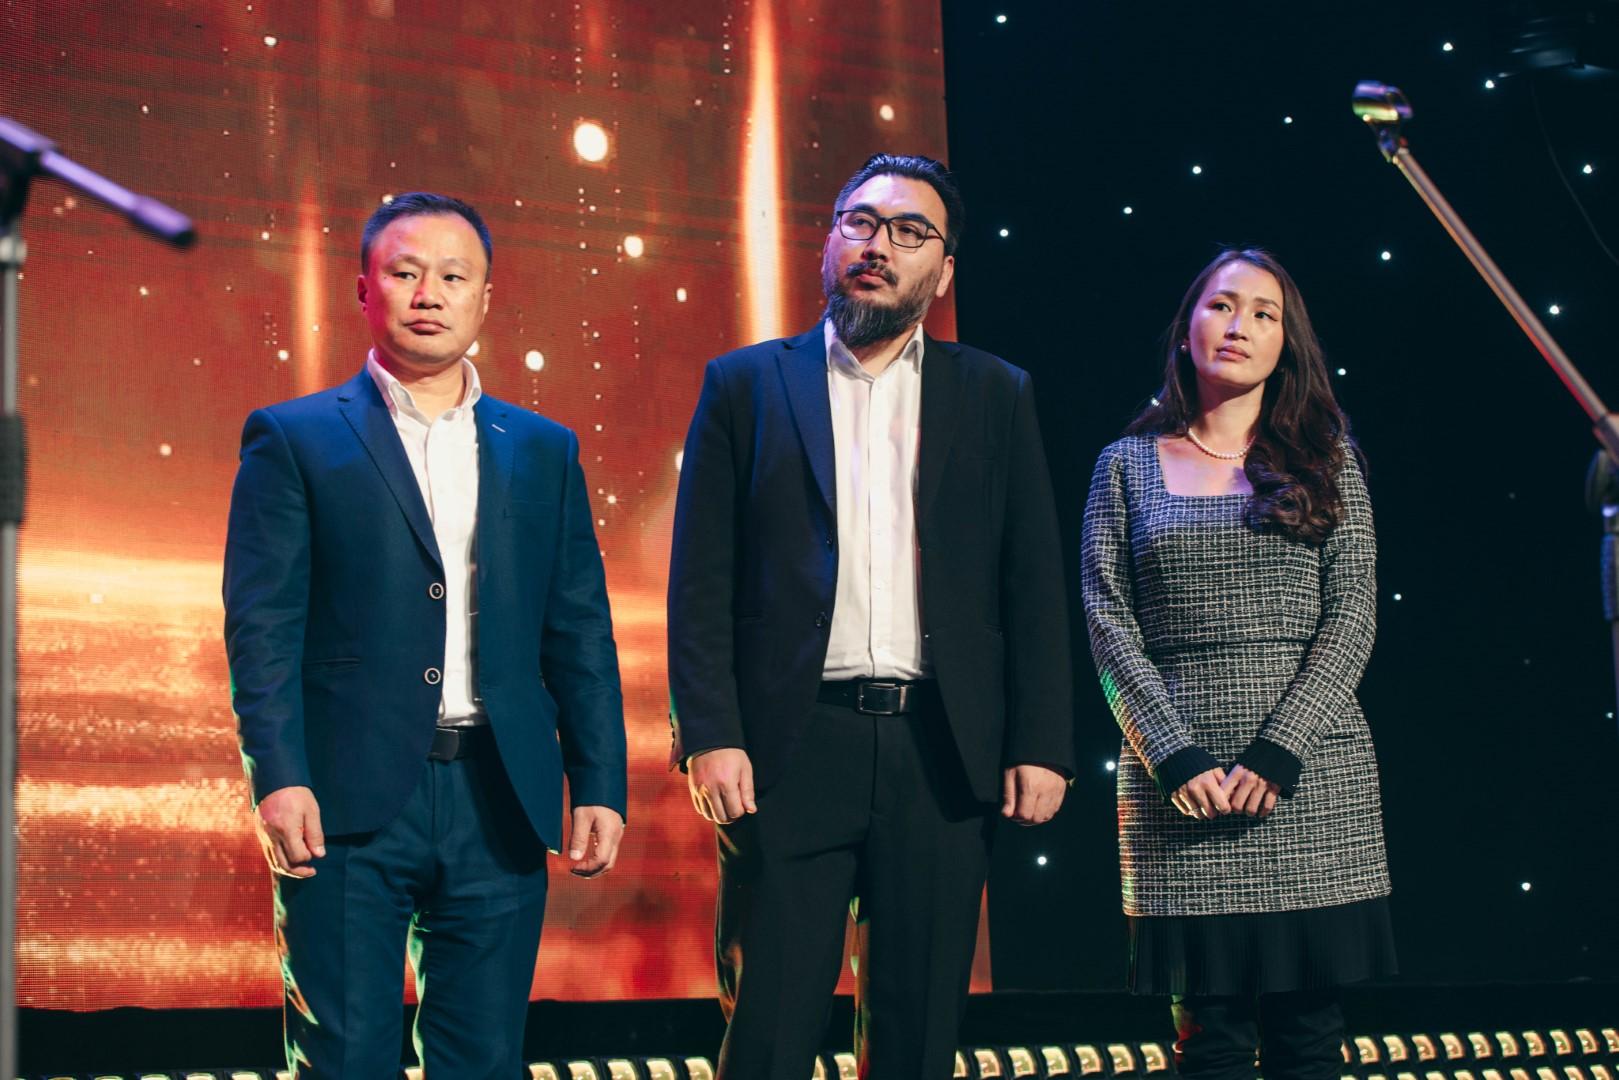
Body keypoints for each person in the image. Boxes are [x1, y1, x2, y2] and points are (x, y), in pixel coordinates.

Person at [667, 153, 1075, 1078]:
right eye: (859, 222)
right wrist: (709, 734)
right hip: (790, 746)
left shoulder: (994, 391)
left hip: (942, 749)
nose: (878, 245)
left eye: (908, 231)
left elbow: (1030, 579)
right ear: (829, 242)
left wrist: (1041, 742)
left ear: (944, 269)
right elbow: (700, 582)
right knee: (767, 1030)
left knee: (916, 1036)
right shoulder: (746, 384)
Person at [223, 192, 627, 1078]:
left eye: (453, 275)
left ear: (485, 297)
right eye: (405, 272)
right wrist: (278, 777)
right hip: (346, 800)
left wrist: (599, 781)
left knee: (482, 1058)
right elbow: (263, 630)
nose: (428, 293)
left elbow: (578, 628)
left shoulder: (542, 448)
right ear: (363, 288)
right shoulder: (294, 437)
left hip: (499, 793)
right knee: (344, 1057)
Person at [1081, 248, 1397, 1080]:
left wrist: (1278, 751)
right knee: (1208, 1042)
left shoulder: (1328, 458)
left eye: (1264, 313)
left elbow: (1352, 616)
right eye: (1222, 305)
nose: (1239, 325)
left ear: (1286, 343)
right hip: (1177, 786)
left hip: (1310, 777)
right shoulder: (1123, 465)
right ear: (1187, 325)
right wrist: (1172, 755)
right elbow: (1107, 620)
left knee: (1308, 1039)